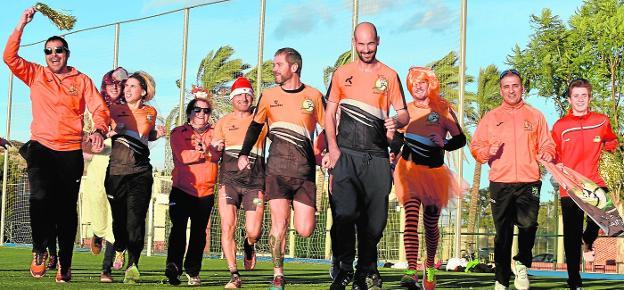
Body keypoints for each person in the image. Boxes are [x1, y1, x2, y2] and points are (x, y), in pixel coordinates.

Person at [3, 7, 110, 283]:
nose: (53, 55)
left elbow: (99, 109)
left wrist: (99, 129)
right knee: (38, 198)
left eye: (59, 50)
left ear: (67, 53)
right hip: (41, 147)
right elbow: (9, 57)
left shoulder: (82, 80)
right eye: (49, 51)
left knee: (65, 210)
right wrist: (21, 25)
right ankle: (39, 250)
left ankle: (65, 263)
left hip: (70, 152)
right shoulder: (36, 74)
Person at [324, 22, 409, 290]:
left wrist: (396, 120)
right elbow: (328, 114)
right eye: (361, 44)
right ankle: (344, 268)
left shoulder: (390, 75)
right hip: (346, 155)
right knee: (345, 214)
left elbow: (404, 113)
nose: (366, 49)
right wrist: (333, 148)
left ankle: (365, 272)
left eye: (370, 44)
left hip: (378, 158)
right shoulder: (342, 74)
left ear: (378, 41)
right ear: (354, 42)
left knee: (374, 224)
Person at [237, 47, 326, 290]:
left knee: (305, 229)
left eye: (278, 65)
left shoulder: (314, 96)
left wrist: (326, 151)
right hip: (276, 170)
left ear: (293, 67)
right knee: (280, 223)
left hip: (305, 173)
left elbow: (329, 127)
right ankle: (278, 274)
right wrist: (244, 152)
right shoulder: (267, 96)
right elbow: (255, 127)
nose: (274, 69)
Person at [470, 69, 555, 290]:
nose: (511, 90)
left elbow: (547, 142)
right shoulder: (491, 118)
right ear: (501, 91)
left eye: (515, 85)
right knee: (503, 232)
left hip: (529, 181)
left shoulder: (535, 115)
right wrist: (489, 150)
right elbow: (476, 147)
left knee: (528, 225)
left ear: (522, 88)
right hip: (500, 182)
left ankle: (521, 262)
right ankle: (501, 279)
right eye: (506, 86)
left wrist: (547, 152)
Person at [391, 67, 466, 290]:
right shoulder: (406, 111)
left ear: (430, 84)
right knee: (411, 219)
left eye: (422, 83)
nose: (418, 87)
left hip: (434, 174)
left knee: (431, 224)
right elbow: (396, 137)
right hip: (409, 171)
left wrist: (445, 143)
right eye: (414, 84)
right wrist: (393, 149)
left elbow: (460, 139)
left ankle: (430, 266)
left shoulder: (442, 109)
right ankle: (411, 271)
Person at [551, 78, 618, 289]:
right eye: (576, 96)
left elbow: (612, 141)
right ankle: (574, 280)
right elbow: (553, 153)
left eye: (584, 95)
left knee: (606, 221)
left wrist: (609, 152)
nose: (580, 99)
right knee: (571, 236)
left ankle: (588, 239)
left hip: (595, 183)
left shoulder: (601, 121)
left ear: (590, 97)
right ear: (570, 99)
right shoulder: (560, 126)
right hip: (569, 187)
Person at [105, 71, 165, 284]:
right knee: (119, 222)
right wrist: (108, 133)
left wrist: (157, 134)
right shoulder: (113, 110)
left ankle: (133, 264)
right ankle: (119, 248)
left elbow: (144, 137)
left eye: (132, 86)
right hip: (115, 173)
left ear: (143, 91)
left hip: (140, 173)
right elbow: (100, 130)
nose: (127, 89)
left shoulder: (151, 112)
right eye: (126, 86)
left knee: (136, 220)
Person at [212, 77, 266, 288]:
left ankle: (249, 244)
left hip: (255, 181)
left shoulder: (262, 120)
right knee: (228, 226)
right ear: (232, 98)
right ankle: (234, 274)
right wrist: (216, 146)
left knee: (254, 230)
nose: (244, 98)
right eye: (239, 94)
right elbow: (215, 146)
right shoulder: (223, 122)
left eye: (248, 94)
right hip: (229, 181)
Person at [165, 96, 220, 286]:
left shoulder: (216, 132)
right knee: (178, 228)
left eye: (206, 111)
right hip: (181, 190)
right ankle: (173, 266)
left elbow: (218, 155)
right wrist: (205, 152)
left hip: (205, 192)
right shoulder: (179, 132)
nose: (202, 114)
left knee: (199, 234)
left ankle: (193, 271)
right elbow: (183, 157)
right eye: (197, 110)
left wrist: (208, 152)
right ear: (189, 113)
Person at [83, 67, 129, 283]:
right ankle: (98, 232)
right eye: (112, 83)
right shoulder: (93, 108)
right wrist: (99, 139)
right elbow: (83, 142)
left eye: (121, 83)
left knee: (116, 215)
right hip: (98, 165)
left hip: (121, 166)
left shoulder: (130, 108)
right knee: (96, 207)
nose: (116, 87)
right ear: (105, 83)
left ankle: (106, 268)